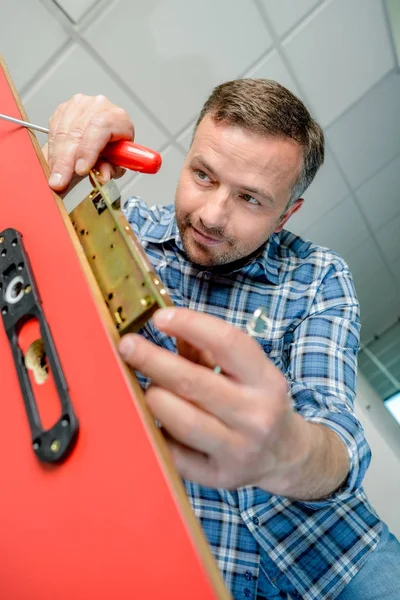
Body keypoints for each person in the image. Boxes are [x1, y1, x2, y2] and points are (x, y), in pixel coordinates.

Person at [45, 79, 400, 600]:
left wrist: (290, 450)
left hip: (339, 562)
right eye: (203, 175)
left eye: (250, 199)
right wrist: (54, 162)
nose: (212, 215)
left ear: (287, 215)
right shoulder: (121, 228)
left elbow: (335, 425)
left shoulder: (318, 277)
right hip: (204, 575)